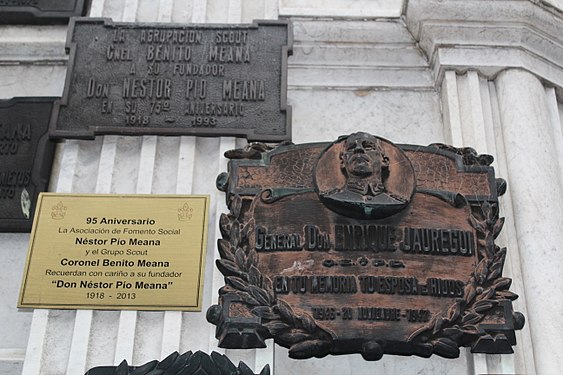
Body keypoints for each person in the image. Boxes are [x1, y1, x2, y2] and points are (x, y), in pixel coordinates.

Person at [319, 132, 408, 218]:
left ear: (384, 161)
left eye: (368, 147)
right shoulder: (332, 198)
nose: (358, 149)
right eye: (351, 148)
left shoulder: (396, 202)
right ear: (342, 162)